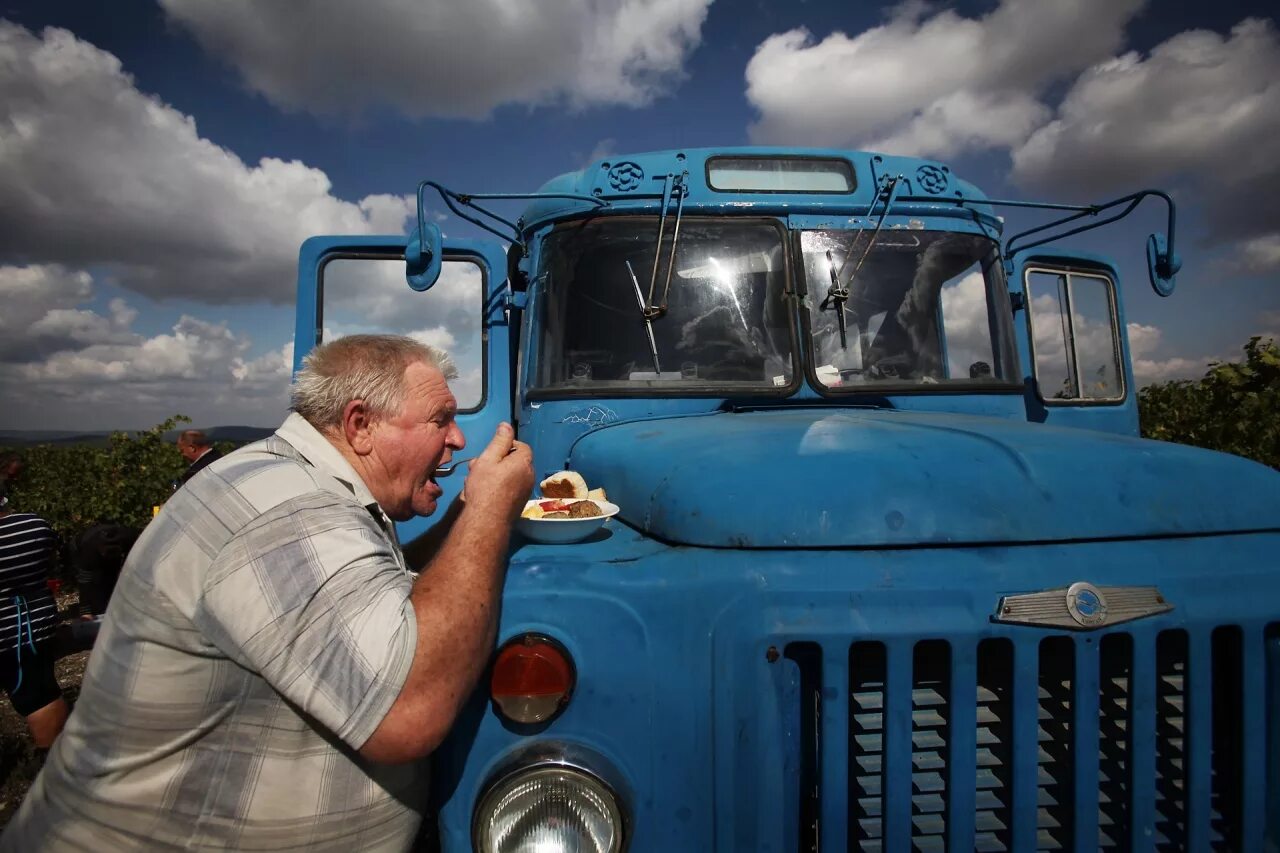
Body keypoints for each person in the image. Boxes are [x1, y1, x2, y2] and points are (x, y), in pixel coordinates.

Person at [3, 334, 534, 851]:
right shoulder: (289, 513)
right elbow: (406, 712)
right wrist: (487, 513)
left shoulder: (315, 487)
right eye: (441, 419)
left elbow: (380, 592)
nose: (459, 439)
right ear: (361, 425)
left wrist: (471, 510)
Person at [0, 495, 69, 750]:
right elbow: (55, 563)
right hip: (32, 625)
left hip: (13, 630)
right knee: (39, 694)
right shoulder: (34, 525)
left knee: (38, 697)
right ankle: (54, 762)